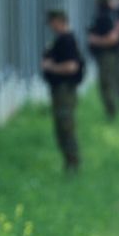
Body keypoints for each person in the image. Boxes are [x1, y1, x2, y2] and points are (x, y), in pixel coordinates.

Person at [41, 9, 84, 173]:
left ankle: (73, 163)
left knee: (66, 127)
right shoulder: (61, 39)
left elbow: (71, 67)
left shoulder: (67, 40)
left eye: (53, 22)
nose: (51, 26)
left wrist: (50, 66)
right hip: (60, 90)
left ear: (59, 20)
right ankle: (69, 163)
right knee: (61, 127)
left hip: (64, 90)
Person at [86, 0, 119, 120]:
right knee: (106, 84)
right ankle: (111, 111)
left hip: (107, 55)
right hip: (104, 55)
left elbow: (113, 39)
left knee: (107, 84)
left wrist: (95, 40)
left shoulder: (106, 17)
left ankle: (112, 112)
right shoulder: (108, 16)